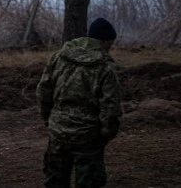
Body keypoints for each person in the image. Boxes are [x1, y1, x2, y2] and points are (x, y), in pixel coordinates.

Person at [36, 17, 123, 188]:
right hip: (88, 135)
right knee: (89, 181)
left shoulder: (59, 57)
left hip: (58, 131)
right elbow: (110, 107)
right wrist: (106, 134)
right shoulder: (105, 67)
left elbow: (43, 90)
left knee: (55, 180)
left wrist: (49, 119)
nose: (110, 48)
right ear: (104, 41)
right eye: (110, 44)